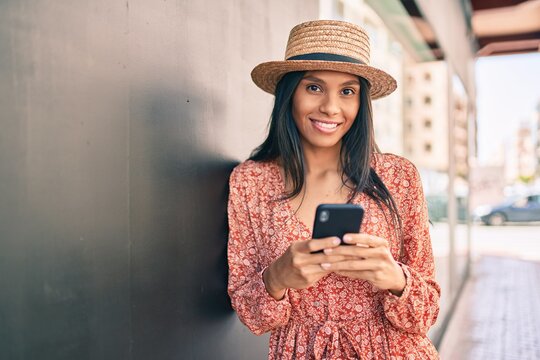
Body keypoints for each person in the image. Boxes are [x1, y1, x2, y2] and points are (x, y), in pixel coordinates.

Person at [227, 20, 440, 359]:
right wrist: (277, 277)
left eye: (347, 91)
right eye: (313, 87)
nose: (330, 107)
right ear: (290, 92)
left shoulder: (398, 176)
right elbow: (252, 315)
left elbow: (426, 314)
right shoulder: (250, 182)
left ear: (361, 102)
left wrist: (395, 277)